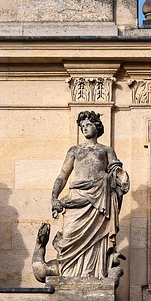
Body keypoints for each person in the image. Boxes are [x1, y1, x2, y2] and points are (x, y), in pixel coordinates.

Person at [50, 111, 130, 279]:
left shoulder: (106, 150)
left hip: (100, 197)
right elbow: (62, 175)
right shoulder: (75, 151)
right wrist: (54, 196)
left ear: (96, 126)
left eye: (88, 125)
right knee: (70, 233)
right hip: (77, 197)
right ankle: (70, 274)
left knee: (97, 238)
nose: (84, 128)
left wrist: (118, 180)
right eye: (82, 126)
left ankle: (94, 273)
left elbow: (117, 172)